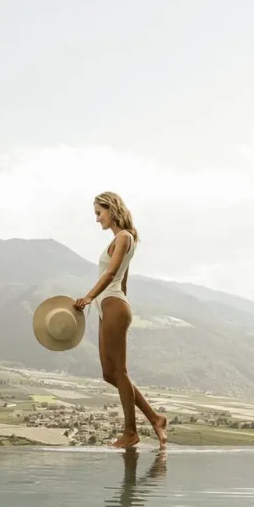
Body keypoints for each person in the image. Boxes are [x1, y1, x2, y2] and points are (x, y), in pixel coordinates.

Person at [73, 191, 167, 450]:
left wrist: (89, 297)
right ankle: (155, 418)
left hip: (112, 304)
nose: (96, 219)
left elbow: (113, 272)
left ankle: (131, 432)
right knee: (108, 373)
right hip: (109, 305)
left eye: (98, 213)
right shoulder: (118, 240)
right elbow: (123, 278)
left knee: (120, 371)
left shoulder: (124, 237)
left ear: (112, 210)